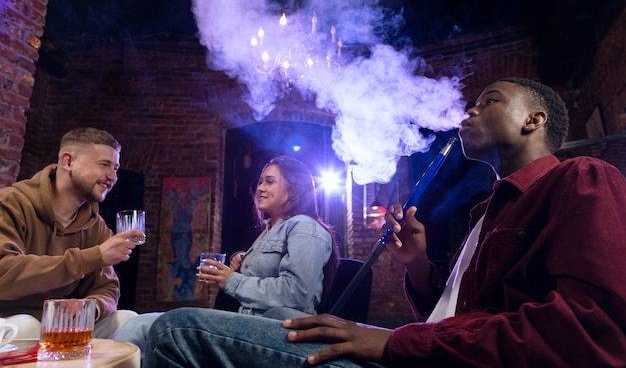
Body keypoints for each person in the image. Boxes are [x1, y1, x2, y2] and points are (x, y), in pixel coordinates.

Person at [143, 77, 626, 368]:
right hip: (423, 357)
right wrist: (418, 267)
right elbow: (459, 318)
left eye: (490, 100)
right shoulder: (487, 212)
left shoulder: (582, 178)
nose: (470, 109)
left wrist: (395, 342)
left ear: (534, 120)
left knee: (177, 330)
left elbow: (592, 330)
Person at [113, 155, 339, 354]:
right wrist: (242, 261)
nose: (260, 187)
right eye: (260, 181)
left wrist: (233, 280)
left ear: (294, 191)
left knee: (155, 325)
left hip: (277, 331)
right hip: (248, 322)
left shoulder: (306, 228)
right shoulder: (269, 232)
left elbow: (297, 294)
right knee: (135, 326)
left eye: (270, 181)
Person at [0, 127, 145, 339]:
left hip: (56, 324)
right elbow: (4, 274)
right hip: (8, 321)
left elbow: (108, 287)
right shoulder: (11, 204)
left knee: (128, 321)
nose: (113, 177)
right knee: (28, 326)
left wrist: (90, 307)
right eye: (104, 165)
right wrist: (94, 257)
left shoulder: (96, 226)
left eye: (115, 168)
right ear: (68, 162)